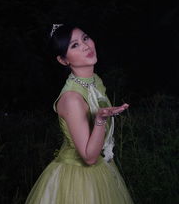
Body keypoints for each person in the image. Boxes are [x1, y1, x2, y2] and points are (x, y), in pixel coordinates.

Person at [25, 23, 134, 204]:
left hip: (102, 168)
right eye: (74, 45)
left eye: (85, 38)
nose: (85, 45)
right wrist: (100, 119)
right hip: (76, 177)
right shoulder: (72, 99)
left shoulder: (94, 81)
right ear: (63, 60)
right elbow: (89, 157)